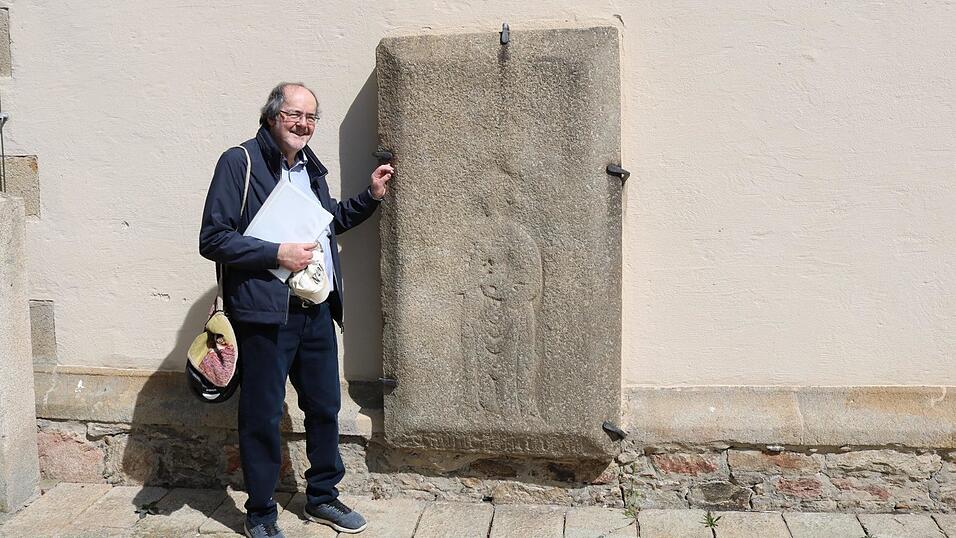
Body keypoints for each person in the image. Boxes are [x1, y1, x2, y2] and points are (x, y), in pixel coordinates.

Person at [199, 82, 392, 538]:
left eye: (310, 117)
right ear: (271, 117)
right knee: (263, 414)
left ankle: (323, 497)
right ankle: (261, 512)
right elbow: (213, 238)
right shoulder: (239, 161)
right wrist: (276, 254)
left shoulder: (310, 168)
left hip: (316, 309)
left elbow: (326, 224)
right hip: (264, 315)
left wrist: (371, 197)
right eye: (293, 114)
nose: (303, 124)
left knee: (325, 407)